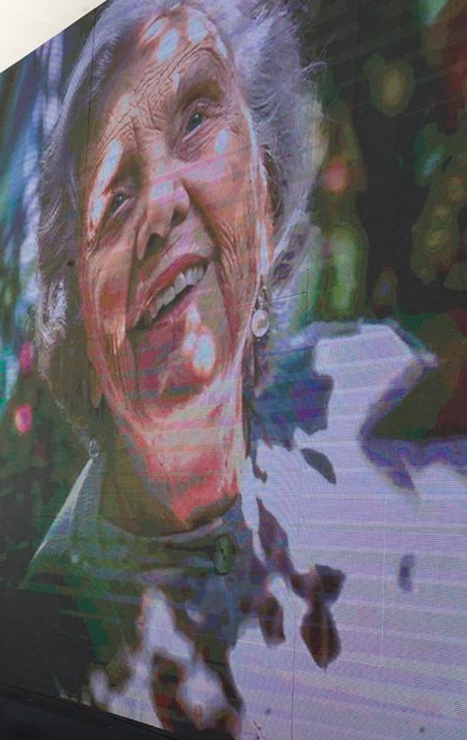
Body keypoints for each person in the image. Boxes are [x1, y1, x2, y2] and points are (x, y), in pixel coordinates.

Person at [27, 0, 467, 736]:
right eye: (117, 195)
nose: (163, 201)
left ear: (265, 192)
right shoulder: (52, 624)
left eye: (196, 119)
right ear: (78, 327)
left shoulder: (381, 390)